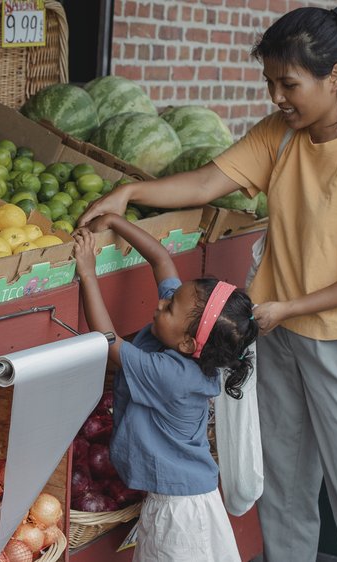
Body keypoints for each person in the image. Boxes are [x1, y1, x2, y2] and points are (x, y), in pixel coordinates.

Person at [78, 4, 337, 560]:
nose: (277, 97)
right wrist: (129, 195)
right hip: (277, 336)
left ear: (335, 78)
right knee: (282, 490)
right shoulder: (280, 135)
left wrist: (292, 306)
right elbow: (209, 180)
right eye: (270, 83)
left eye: (289, 83)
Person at [73, 213, 258, 561]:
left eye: (169, 307)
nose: (160, 304)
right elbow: (161, 259)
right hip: (179, 500)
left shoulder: (172, 373)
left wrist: (87, 272)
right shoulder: (185, 334)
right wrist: (116, 220)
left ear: (190, 343)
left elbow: (108, 342)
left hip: (180, 514)